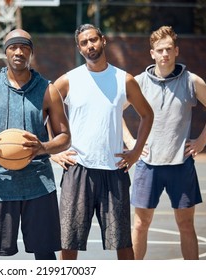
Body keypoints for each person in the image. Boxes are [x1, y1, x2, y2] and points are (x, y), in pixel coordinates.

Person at [0, 28, 71, 260]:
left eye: (24, 47)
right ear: (6, 52)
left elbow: (64, 137)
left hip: (39, 182)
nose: (19, 52)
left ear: (31, 53)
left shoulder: (48, 90)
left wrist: (43, 148)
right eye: (13, 47)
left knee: (45, 255)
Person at [51, 23, 154, 260]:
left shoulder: (123, 79)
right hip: (78, 170)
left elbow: (147, 114)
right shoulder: (69, 80)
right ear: (79, 48)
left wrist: (136, 151)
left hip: (113, 170)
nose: (90, 46)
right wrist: (52, 152)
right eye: (84, 43)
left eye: (93, 40)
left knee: (123, 244)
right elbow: (44, 111)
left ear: (103, 40)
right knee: (68, 243)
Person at [123, 26, 206, 260]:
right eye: (160, 50)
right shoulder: (139, 82)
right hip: (148, 165)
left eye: (169, 49)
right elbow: (114, 110)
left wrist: (201, 142)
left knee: (186, 225)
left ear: (176, 50)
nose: (165, 54)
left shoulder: (191, 81)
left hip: (181, 164)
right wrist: (130, 141)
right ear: (152, 53)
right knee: (140, 225)